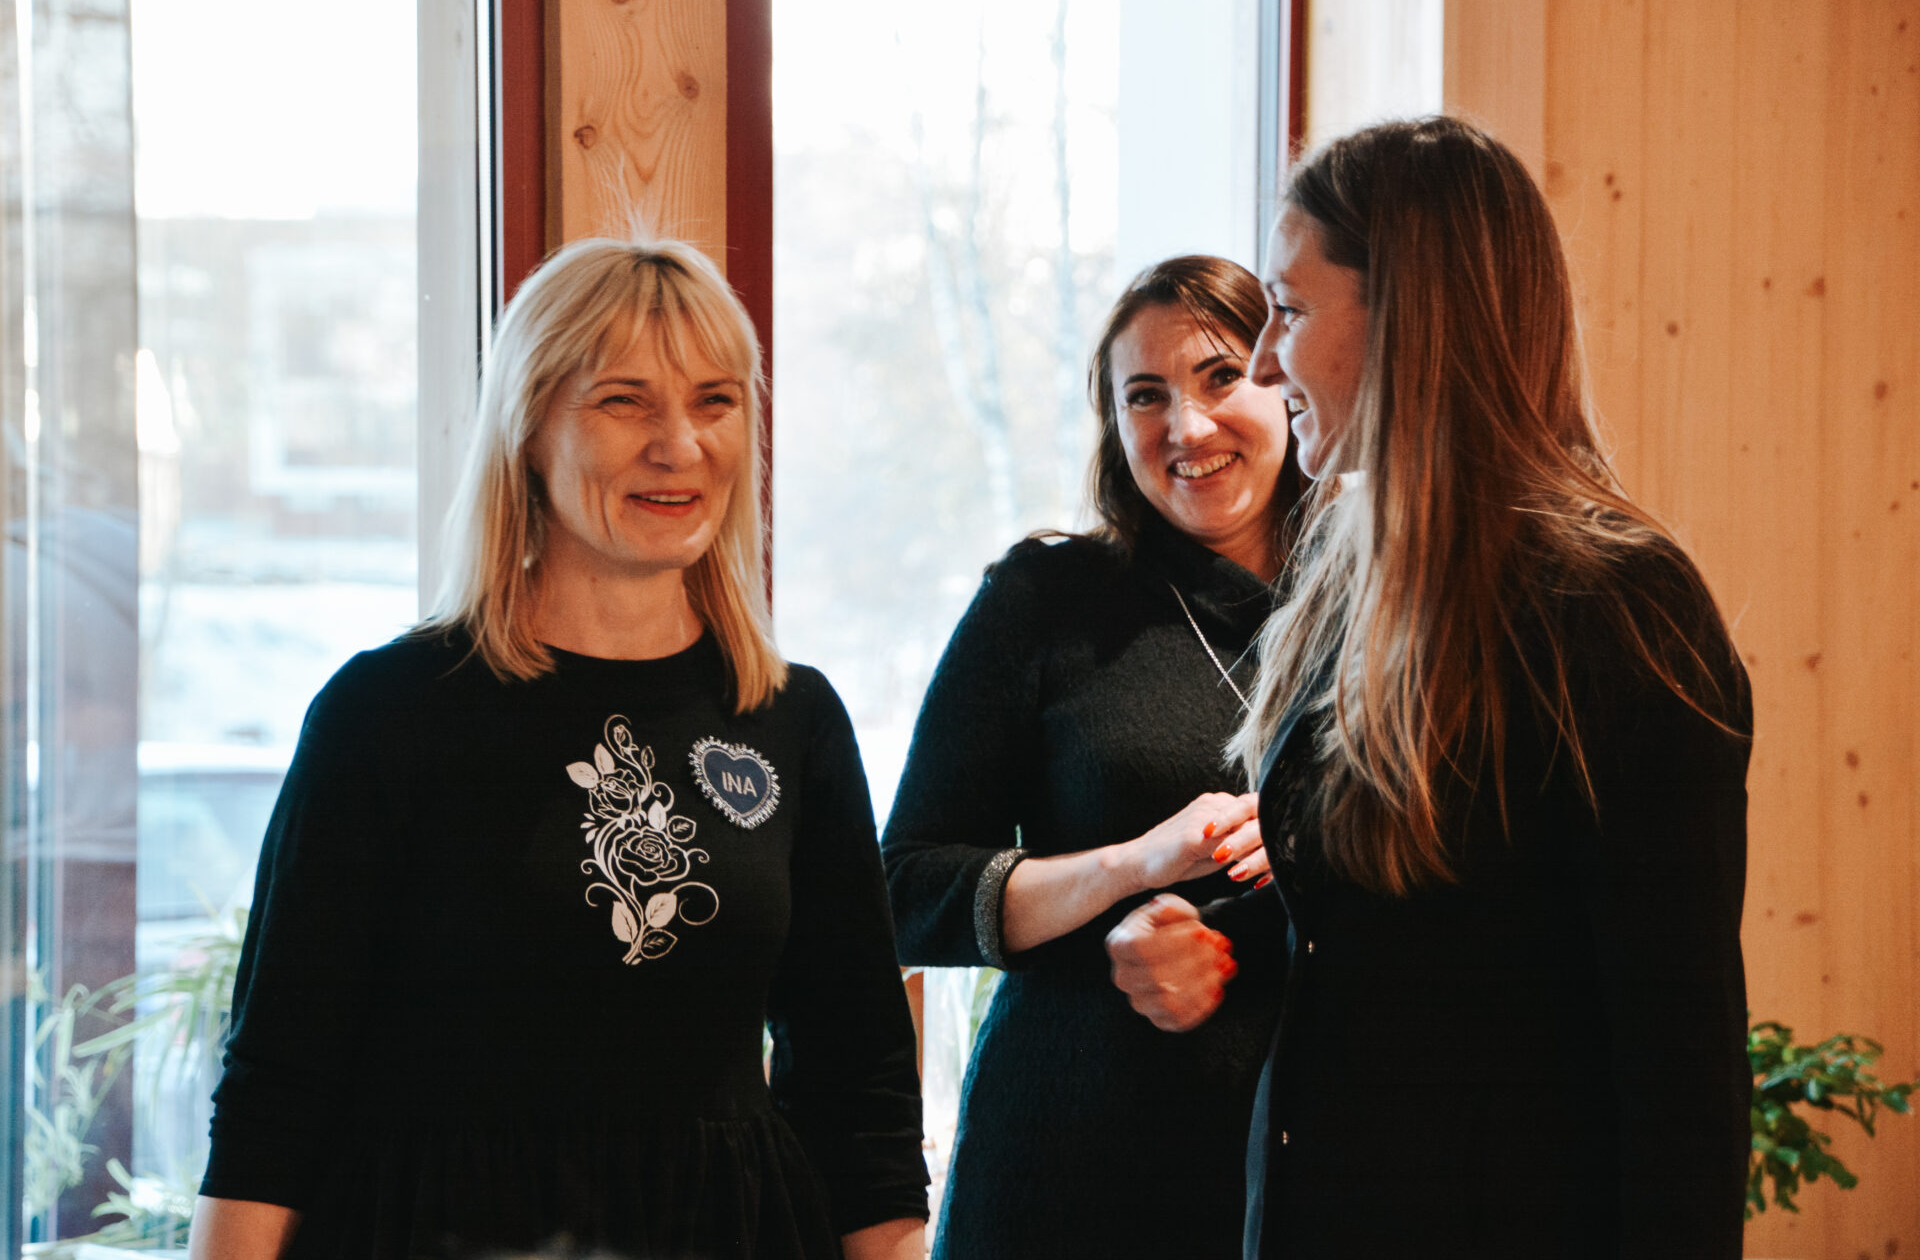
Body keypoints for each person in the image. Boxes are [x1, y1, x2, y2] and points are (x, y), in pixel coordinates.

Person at [189, 237, 929, 1260]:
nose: (680, 444)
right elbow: (279, 1074)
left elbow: (861, 1083)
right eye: (626, 401)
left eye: (714, 401)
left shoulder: (790, 719)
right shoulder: (388, 711)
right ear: (528, 427)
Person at [1107, 117, 1753, 1259]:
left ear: (1409, 314)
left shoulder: (1616, 605)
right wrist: (1218, 943)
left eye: (1289, 312)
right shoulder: (1349, 564)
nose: (1267, 364)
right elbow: (1407, 936)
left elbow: (1678, 1065)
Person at [881, 255, 1307, 1259]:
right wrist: (1129, 869)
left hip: (1302, 1162)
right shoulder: (1046, 599)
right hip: (1067, 1161)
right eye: (1144, 396)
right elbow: (906, 887)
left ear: (1288, 379)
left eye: (1219, 376)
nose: (1186, 427)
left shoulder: (1381, 608)